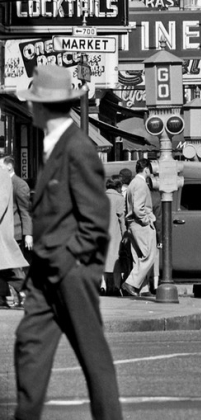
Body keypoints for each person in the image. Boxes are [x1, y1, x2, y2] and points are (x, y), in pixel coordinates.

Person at [14, 64, 122, 420]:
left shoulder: (77, 147)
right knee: (30, 345)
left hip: (70, 272)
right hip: (46, 274)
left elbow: (96, 219)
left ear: (41, 106)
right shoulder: (52, 144)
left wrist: (73, 263)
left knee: (94, 357)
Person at [121, 158, 157, 297]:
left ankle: (142, 288)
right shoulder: (141, 184)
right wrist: (147, 220)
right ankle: (131, 283)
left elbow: (128, 207)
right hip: (140, 224)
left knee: (139, 257)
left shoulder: (131, 184)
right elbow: (138, 208)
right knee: (149, 255)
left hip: (132, 225)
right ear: (146, 169)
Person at [0, 163, 28, 309]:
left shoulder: (2, 175)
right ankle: (3, 297)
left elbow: (1, 202)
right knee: (5, 266)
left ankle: (27, 293)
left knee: (8, 267)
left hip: (1, 232)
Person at [2, 156, 32, 261]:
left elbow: (25, 211)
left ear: (9, 167)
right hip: (3, 233)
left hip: (14, 234)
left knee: (15, 268)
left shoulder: (20, 185)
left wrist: (28, 234)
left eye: (0, 166)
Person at [103, 177, 125, 295]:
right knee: (116, 261)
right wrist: (125, 233)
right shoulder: (118, 198)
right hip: (115, 233)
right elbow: (121, 219)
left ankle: (106, 286)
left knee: (105, 260)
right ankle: (116, 287)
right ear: (118, 187)